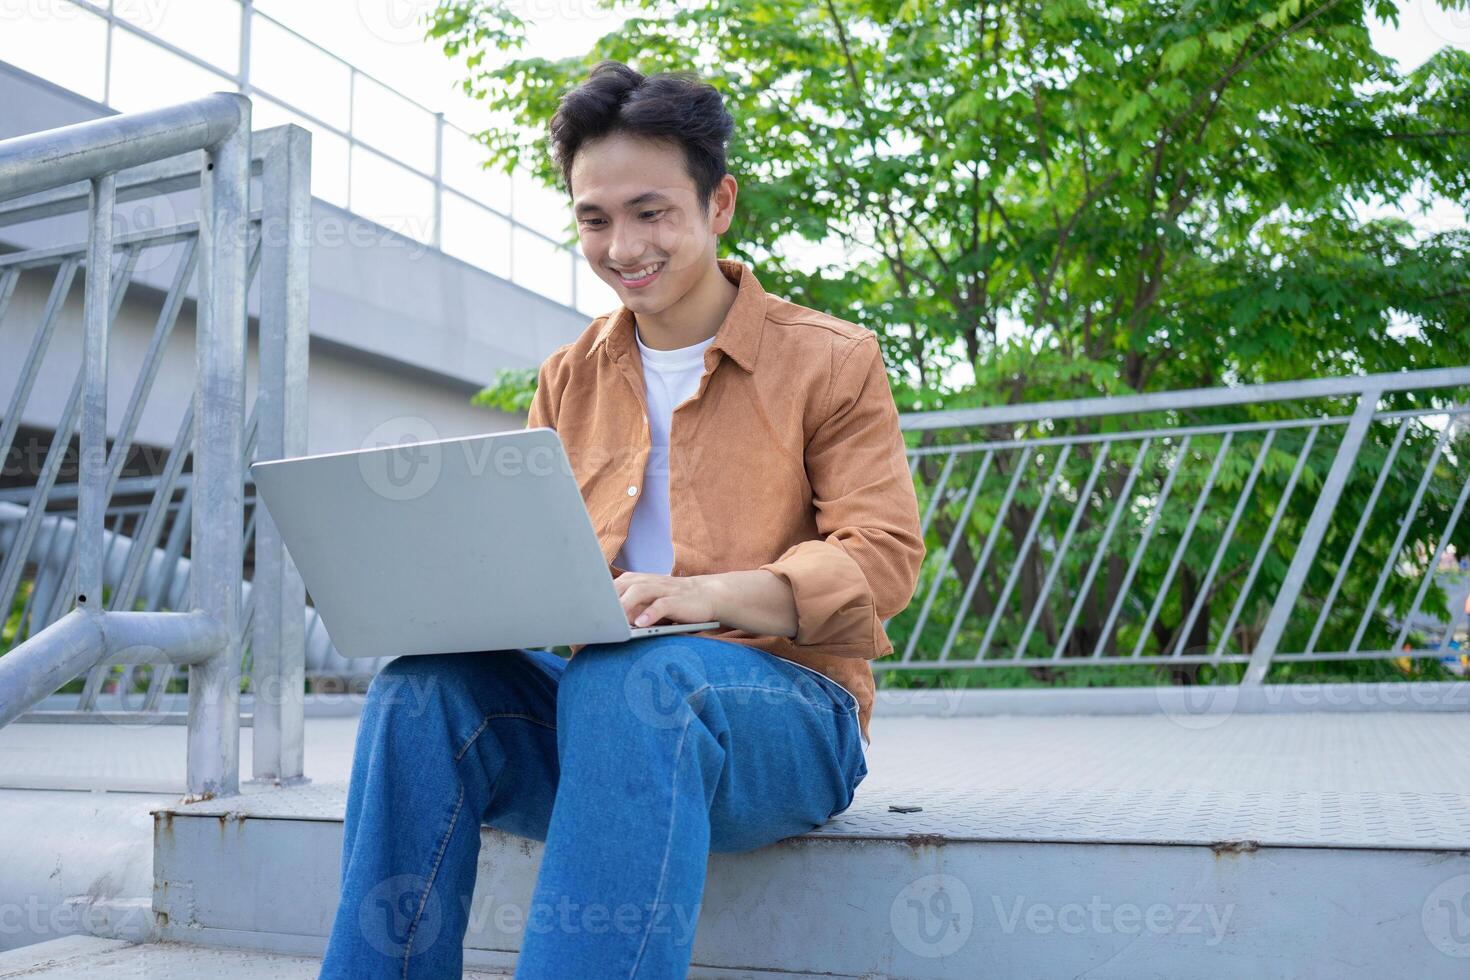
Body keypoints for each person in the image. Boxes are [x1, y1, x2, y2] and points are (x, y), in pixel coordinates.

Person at [319, 60, 925, 979]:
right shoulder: (569, 375)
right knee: (422, 687)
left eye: (652, 212)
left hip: (787, 723)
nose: (622, 245)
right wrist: (456, 599)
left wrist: (701, 596)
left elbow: (881, 561)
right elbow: (526, 560)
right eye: (594, 219)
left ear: (719, 205)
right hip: (603, 722)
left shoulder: (832, 360)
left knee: (640, 673)